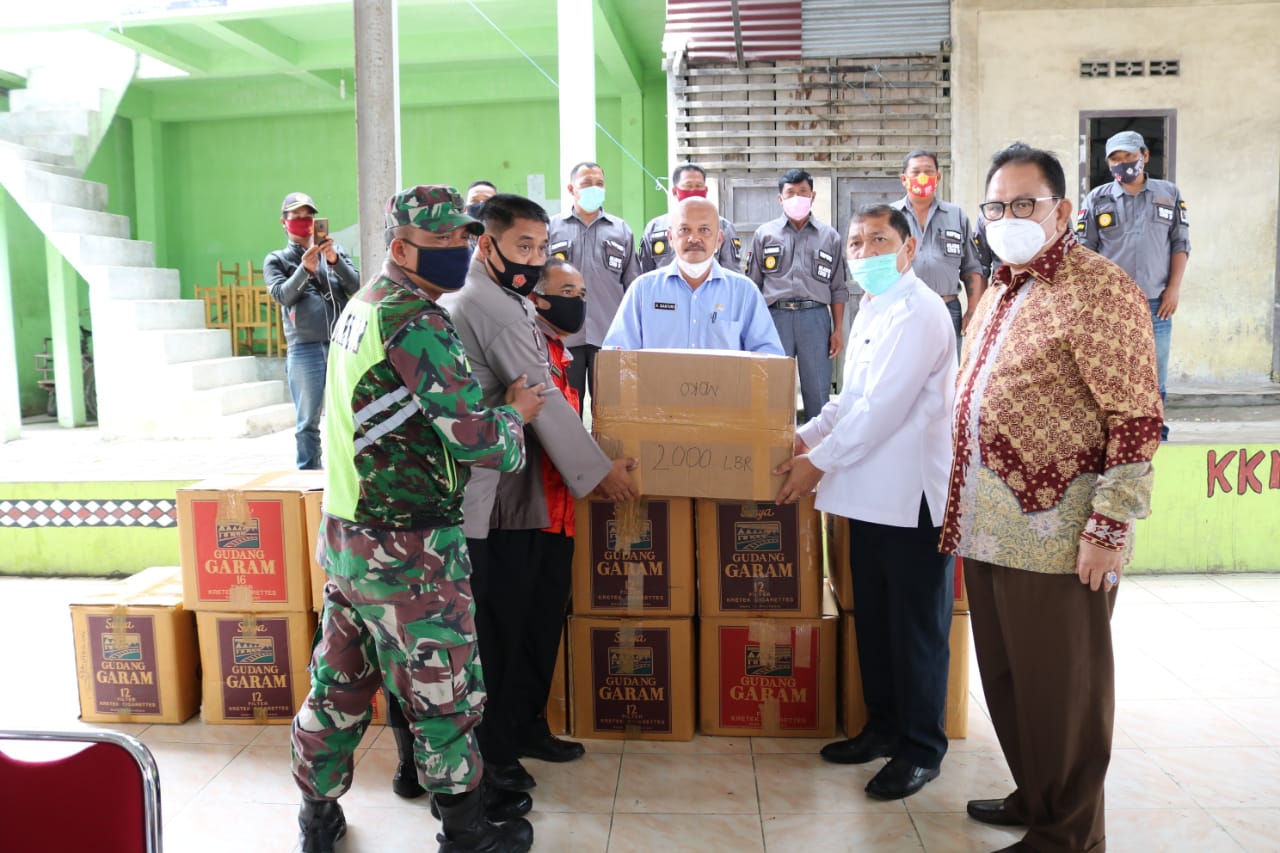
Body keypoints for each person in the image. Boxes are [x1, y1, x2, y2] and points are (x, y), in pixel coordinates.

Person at [290, 185, 544, 853]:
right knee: (445, 692)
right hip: (409, 548)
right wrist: (517, 413)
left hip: (348, 536)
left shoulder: (361, 306)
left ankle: (316, 817)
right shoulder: (418, 322)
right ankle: (465, 834)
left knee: (338, 683)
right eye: (443, 244)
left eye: (465, 239)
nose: (460, 252)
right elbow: (481, 438)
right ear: (401, 249)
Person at [943, 144, 1161, 853]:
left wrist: (1108, 526)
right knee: (1010, 681)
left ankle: (1068, 834)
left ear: (1062, 210)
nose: (1009, 217)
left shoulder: (1100, 288)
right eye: (997, 206)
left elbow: (1135, 417)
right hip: (989, 525)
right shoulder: (1002, 289)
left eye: (1025, 203)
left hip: (1060, 534)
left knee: (1062, 693)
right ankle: (1035, 794)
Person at [441, 193, 639, 794]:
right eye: (521, 246)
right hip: (495, 496)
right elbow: (541, 398)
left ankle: (521, 729)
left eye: (538, 247)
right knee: (497, 634)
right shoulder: (489, 303)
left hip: (529, 491)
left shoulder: (507, 299)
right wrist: (602, 472)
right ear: (486, 243)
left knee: (529, 621)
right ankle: (494, 755)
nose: (531, 259)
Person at [774, 204, 957, 801]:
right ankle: (881, 728)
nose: (864, 252)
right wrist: (800, 436)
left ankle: (921, 749)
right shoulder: (872, 309)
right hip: (868, 499)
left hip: (913, 502)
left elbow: (884, 409)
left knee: (916, 632)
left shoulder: (923, 311)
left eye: (878, 240)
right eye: (855, 242)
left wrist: (814, 464)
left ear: (907, 249)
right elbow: (849, 400)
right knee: (874, 625)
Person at [1078, 130, 1189, 441]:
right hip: (1111, 305)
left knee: (1155, 373)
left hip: (1157, 303)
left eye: (1129, 156)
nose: (1123, 163)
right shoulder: (1097, 199)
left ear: (1144, 156)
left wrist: (1173, 289)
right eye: (1115, 158)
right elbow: (1084, 252)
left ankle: (1156, 432)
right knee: (1113, 370)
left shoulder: (1168, 194)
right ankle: (1117, 433)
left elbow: (1181, 243)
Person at [604, 197, 783, 353]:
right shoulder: (642, 291)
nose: (694, 238)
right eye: (684, 230)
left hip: (726, 393)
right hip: (658, 393)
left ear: (719, 240)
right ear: (670, 238)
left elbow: (767, 357)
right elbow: (618, 356)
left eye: (704, 230)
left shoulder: (744, 293)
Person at [265, 192, 361, 470]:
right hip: (305, 348)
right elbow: (283, 296)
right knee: (308, 420)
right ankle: (308, 474)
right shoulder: (277, 260)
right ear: (284, 223)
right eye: (296, 217)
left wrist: (333, 261)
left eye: (308, 216)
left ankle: (348, 472)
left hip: (342, 345)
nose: (303, 222)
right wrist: (305, 269)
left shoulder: (335, 251)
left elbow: (357, 287)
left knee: (347, 412)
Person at [746, 167, 849, 421]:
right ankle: (775, 447)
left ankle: (816, 452)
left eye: (803, 192)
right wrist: (752, 329)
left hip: (814, 319)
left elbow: (838, 287)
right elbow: (753, 286)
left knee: (817, 388)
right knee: (774, 390)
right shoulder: (764, 234)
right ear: (780, 199)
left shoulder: (829, 237)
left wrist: (837, 330)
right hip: (775, 319)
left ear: (812, 196)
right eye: (790, 193)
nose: (797, 198)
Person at [547, 161, 640, 409]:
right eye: (586, 183)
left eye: (599, 183)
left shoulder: (621, 230)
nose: (594, 189)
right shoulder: (552, 229)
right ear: (571, 188)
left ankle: (604, 451)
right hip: (565, 338)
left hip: (609, 338)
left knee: (609, 411)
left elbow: (632, 286)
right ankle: (571, 450)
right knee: (567, 409)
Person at [889, 150, 986, 347]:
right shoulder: (889, 217)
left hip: (947, 309)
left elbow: (972, 268)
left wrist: (973, 310)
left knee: (948, 374)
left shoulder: (956, 215)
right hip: (902, 309)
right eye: (915, 172)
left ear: (938, 177)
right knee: (905, 372)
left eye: (928, 171)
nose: (922, 177)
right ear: (903, 179)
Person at [638, 163, 742, 273]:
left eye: (698, 186)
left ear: (705, 191)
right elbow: (645, 272)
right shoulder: (655, 227)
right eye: (688, 186)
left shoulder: (723, 226)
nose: (693, 191)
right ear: (675, 191)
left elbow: (732, 273)